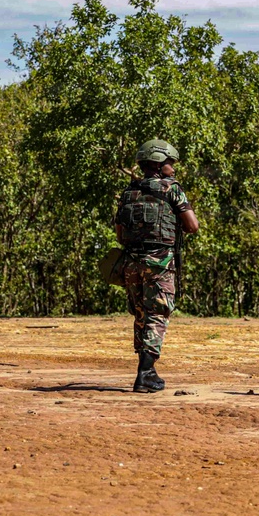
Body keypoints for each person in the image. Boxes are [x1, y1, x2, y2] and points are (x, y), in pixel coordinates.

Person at [114, 139, 199, 393]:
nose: (173, 168)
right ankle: (146, 373)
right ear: (158, 163)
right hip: (159, 262)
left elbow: (119, 234)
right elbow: (193, 226)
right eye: (170, 163)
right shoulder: (172, 189)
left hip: (131, 262)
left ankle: (146, 368)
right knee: (157, 314)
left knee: (141, 313)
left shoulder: (129, 192)